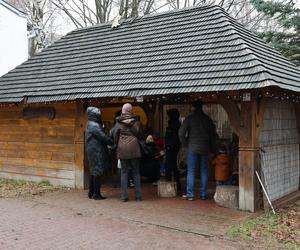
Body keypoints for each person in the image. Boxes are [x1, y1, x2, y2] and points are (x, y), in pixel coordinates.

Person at [179, 100, 217, 200]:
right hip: (205, 147)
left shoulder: (189, 118)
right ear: (201, 107)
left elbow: (181, 133)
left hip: (192, 147)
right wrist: (213, 149)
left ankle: (190, 195)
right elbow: (213, 135)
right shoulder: (207, 119)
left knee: (191, 171)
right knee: (204, 171)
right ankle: (203, 195)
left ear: (193, 107)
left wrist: (185, 144)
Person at [112, 103, 144, 202]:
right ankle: (138, 196)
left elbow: (114, 136)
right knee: (136, 173)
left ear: (123, 110)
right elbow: (141, 135)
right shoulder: (136, 122)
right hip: (134, 149)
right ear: (130, 111)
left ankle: (124, 196)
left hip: (123, 150)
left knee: (124, 173)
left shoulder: (118, 123)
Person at [85, 107, 114, 200]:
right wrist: (111, 141)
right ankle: (96, 194)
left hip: (92, 149)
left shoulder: (90, 123)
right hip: (96, 150)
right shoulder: (94, 125)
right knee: (97, 171)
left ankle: (91, 192)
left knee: (93, 171)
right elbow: (103, 137)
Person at [165, 108, 181, 192]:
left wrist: (168, 146)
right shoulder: (176, 123)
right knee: (173, 165)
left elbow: (173, 137)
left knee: (169, 165)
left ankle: (169, 184)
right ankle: (177, 185)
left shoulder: (173, 124)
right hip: (174, 146)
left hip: (171, 147)